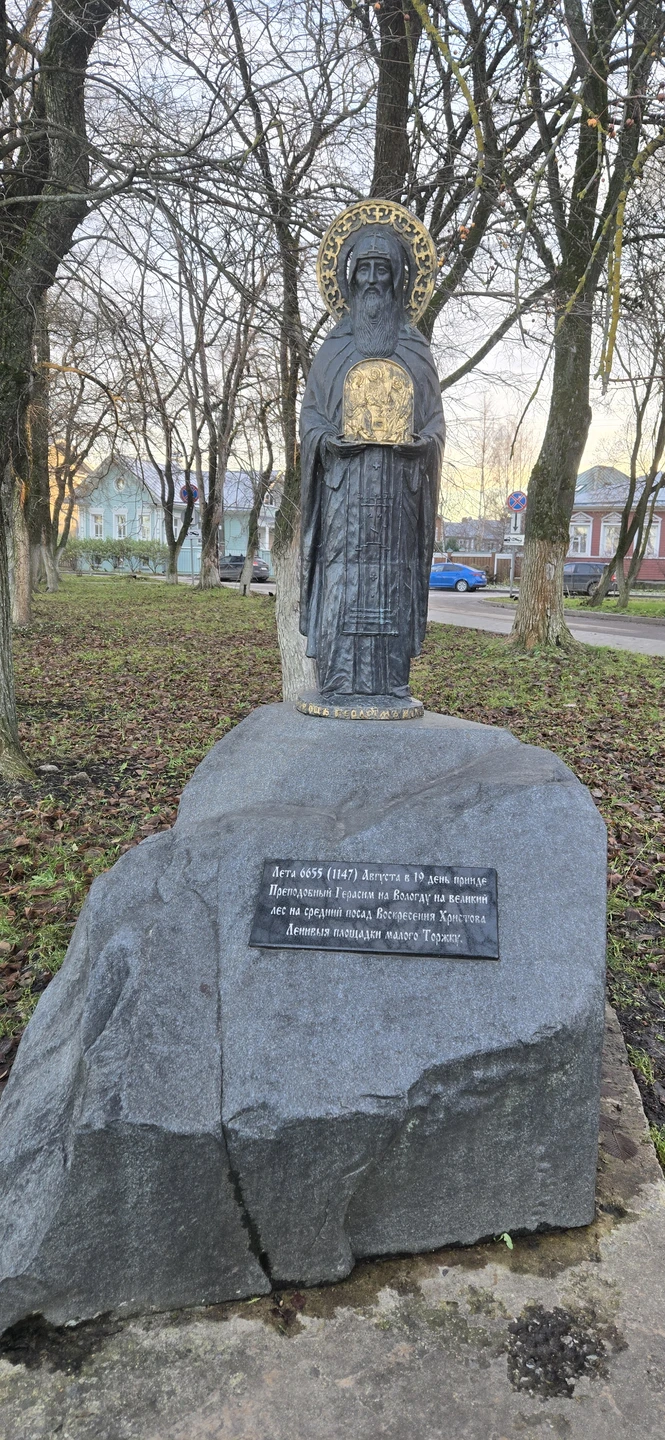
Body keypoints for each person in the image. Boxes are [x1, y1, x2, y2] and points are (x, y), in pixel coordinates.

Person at [300, 223, 445, 700]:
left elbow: (435, 423)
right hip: (345, 490)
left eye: (383, 270)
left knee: (392, 579)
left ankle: (390, 683)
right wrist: (326, 442)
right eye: (363, 269)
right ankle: (339, 682)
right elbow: (311, 419)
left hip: (398, 493)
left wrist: (422, 444)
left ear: (400, 279)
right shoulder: (332, 351)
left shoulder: (414, 351)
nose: (373, 281)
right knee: (343, 578)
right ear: (348, 279)